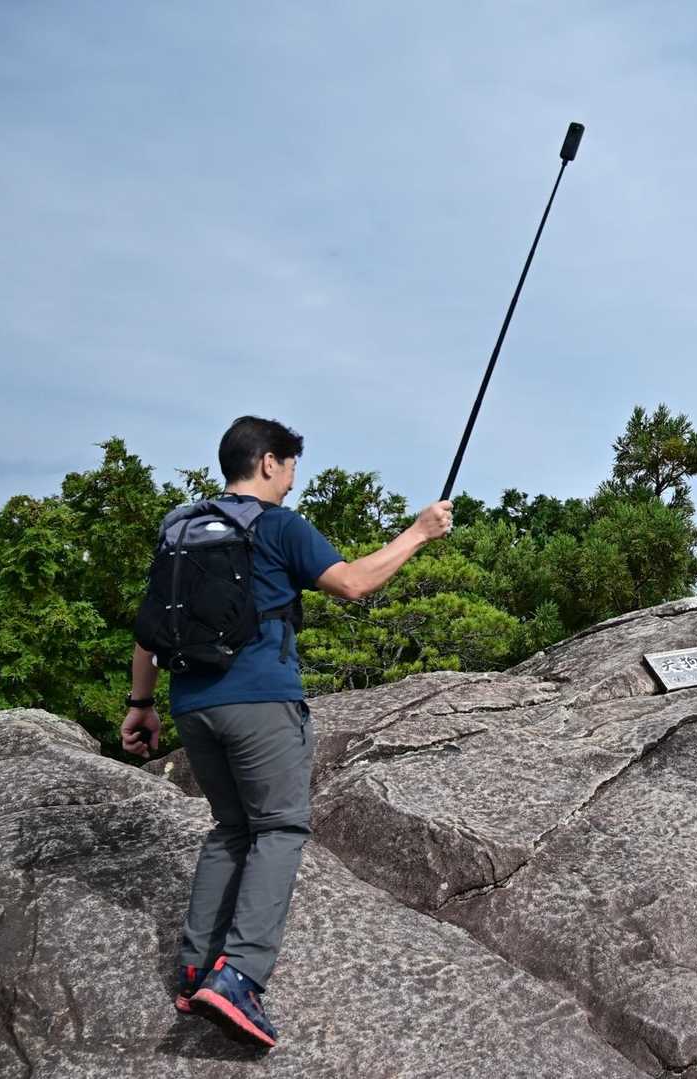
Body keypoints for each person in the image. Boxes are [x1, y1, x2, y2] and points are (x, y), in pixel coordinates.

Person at [119, 416, 452, 1048]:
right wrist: (419, 532)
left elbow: (148, 627)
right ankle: (240, 977)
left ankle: (194, 969)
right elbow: (353, 583)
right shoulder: (277, 525)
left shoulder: (180, 529)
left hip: (192, 705)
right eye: (292, 466)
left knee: (231, 827)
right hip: (260, 701)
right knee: (278, 829)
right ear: (269, 462)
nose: (294, 480)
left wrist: (141, 703)